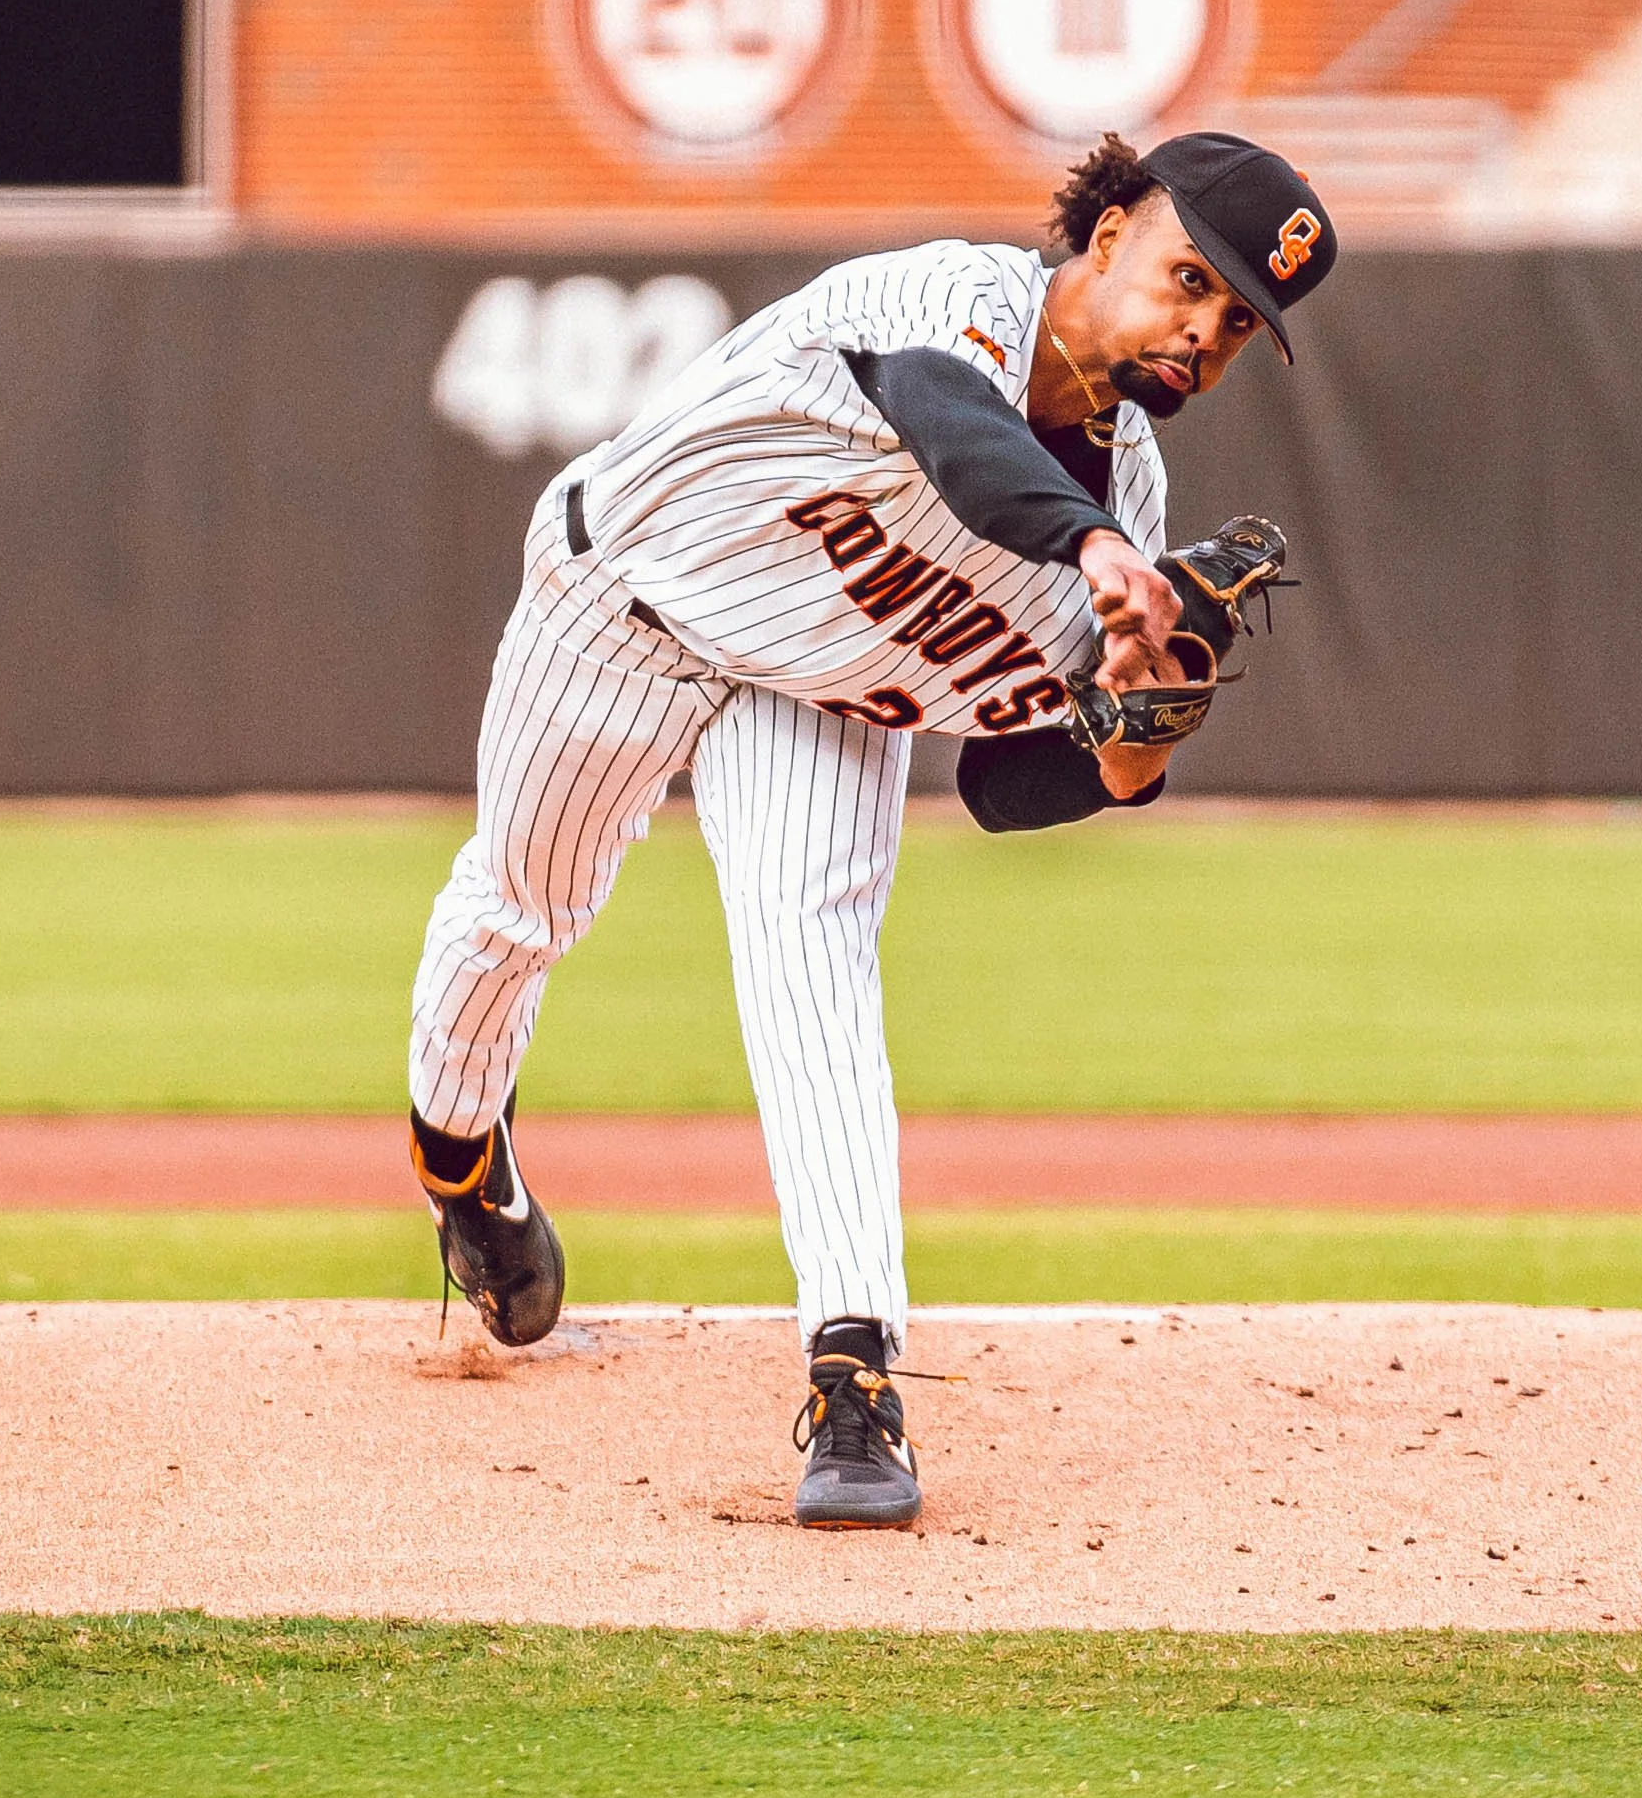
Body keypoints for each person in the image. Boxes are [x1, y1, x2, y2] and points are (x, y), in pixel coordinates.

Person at [407, 128, 1338, 1526]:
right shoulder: (946, 301)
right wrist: (1089, 553)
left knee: (813, 952)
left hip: (821, 689)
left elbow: (999, 780)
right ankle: (461, 1160)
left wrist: (1140, 740)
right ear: (1108, 235)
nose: (1198, 331)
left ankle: (853, 1375)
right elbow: (951, 426)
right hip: (627, 600)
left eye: (1231, 323)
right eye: (1187, 279)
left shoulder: (1127, 502)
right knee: (522, 907)